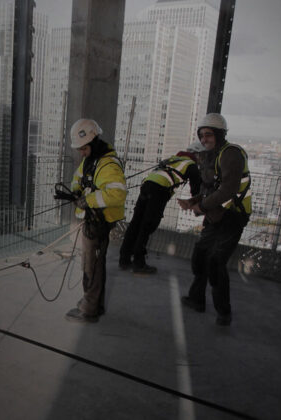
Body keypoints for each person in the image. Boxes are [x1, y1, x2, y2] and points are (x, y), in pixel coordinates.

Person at [177, 113, 252, 326]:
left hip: (232, 218)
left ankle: (223, 312)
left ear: (219, 134)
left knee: (215, 262)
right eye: (201, 136)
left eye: (208, 135)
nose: (204, 140)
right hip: (216, 216)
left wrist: (200, 206)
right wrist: (193, 200)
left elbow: (228, 189)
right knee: (201, 256)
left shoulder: (231, 154)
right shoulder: (213, 156)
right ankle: (196, 299)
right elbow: (210, 189)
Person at [65, 118, 127, 323]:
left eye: (83, 148)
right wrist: (75, 192)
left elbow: (117, 195)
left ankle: (89, 309)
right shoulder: (92, 159)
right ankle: (95, 304)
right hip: (94, 219)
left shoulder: (108, 164)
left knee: (91, 265)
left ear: (93, 142)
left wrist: (88, 199)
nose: (81, 153)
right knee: (94, 264)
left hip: (100, 221)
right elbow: (78, 178)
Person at [119, 145, 202, 274]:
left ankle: (124, 260)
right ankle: (138, 263)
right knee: (147, 226)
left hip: (146, 186)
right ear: (197, 155)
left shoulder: (174, 159)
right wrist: (200, 205)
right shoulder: (191, 164)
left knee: (136, 223)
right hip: (159, 190)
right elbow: (196, 191)